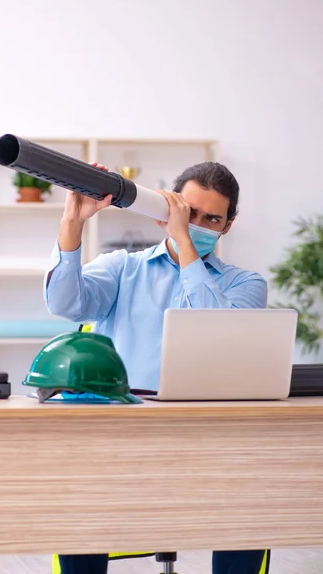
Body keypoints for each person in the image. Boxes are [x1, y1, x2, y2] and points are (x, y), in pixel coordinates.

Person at [43, 161, 269, 574]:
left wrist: (183, 240)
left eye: (211, 219)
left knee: (253, 501)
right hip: (125, 438)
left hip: (209, 441)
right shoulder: (121, 269)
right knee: (78, 501)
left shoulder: (245, 285)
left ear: (228, 226)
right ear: (169, 208)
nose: (198, 224)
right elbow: (63, 303)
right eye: (189, 213)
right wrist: (71, 222)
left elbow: (213, 327)